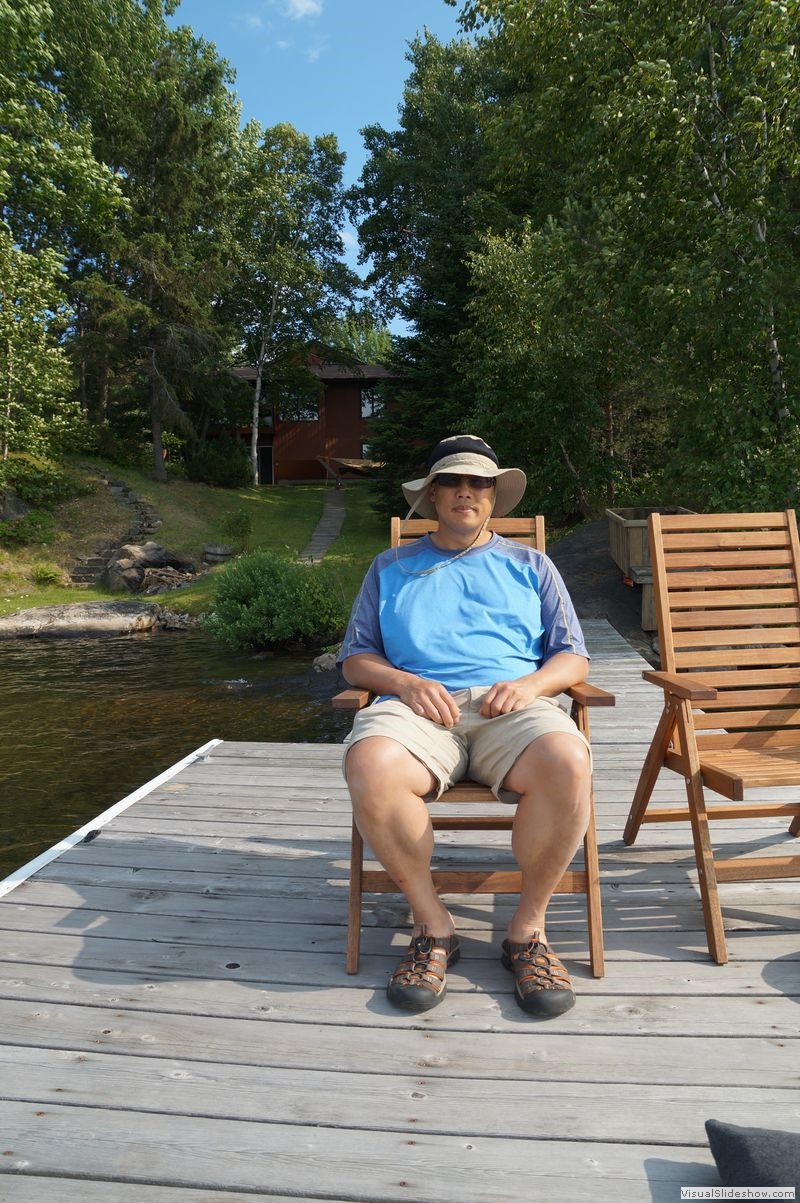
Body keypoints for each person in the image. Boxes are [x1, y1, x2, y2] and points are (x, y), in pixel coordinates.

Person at [337, 435, 592, 1017]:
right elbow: (356, 658)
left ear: (493, 496)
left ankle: (528, 933)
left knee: (569, 759)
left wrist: (530, 685)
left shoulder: (532, 565)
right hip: (418, 710)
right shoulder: (391, 566)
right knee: (369, 762)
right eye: (451, 481)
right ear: (430, 495)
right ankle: (434, 927)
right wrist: (403, 682)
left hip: (513, 710)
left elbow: (573, 657)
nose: (464, 492)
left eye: (478, 483)